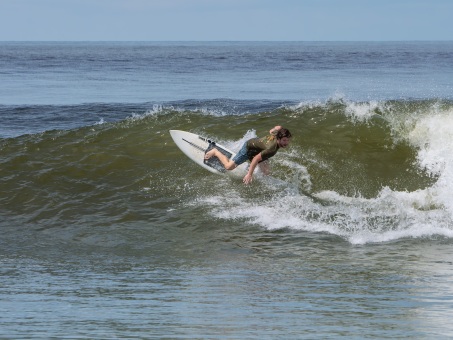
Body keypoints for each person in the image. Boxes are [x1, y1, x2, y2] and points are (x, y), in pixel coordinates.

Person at [204, 125, 292, 184]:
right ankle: (216, 152)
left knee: (266, 173)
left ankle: (250, 166)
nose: (286, 143)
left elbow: (272, 130)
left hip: (259, 147)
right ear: (278, 139)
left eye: (287, 140)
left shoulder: (276, 134)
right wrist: (249, 174)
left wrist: (279, 128)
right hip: (249, 148)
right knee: (228, 167)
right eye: (284, 140)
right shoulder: (271, 149)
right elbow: (256, 159)